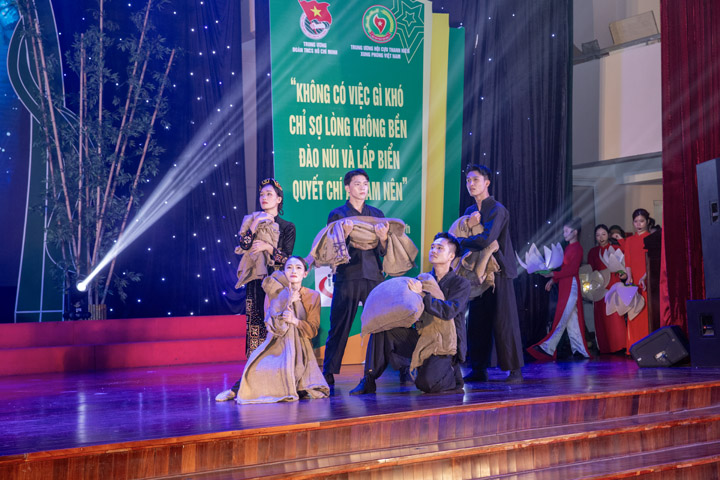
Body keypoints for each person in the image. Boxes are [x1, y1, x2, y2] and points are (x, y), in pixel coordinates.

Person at [350, 232, 471, 395]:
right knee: (383, 330)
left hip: (446, 344)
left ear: (451, 256)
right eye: (432, 247)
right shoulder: (423, 280)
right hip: (422, 337)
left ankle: (453, 375)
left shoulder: (461, 283)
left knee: (425, 385)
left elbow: (449, 311)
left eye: (439, 248)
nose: (433, 250)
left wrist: (423, 295)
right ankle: (369, 379)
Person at [217, 256, 329, 403]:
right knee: (259, 366)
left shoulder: (312, 296)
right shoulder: (273, 293)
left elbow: (312, 331)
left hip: (301, 349)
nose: (293, 271)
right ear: (284, 271)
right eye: (289, 267)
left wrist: (295, 321)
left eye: (298, 268)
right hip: (277, 344)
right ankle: (235, 390)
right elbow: (269, 325)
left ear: (305, 273)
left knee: (298, 383)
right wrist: (287, 302)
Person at [322, 169, 389, 385]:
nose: (362, 187)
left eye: (365, 184)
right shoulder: (338, 214)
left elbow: (384, 250)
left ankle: (399, 367)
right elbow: (331, 247)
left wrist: (383, 238)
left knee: (384, 322)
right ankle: (329, 371)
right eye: (357, 183)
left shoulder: (376, 214)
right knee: (340, 325)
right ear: (347, 188)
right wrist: (344, 235)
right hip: (348, 275)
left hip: (373, 275)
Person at [461, 165, 524, 383]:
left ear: (487, 183)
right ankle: (479, 368)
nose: (470, 184)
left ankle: (515, 370)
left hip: (499, 270)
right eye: (468, 180)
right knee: (477, 321)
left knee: (504, 321)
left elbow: (487, 239)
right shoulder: (470, 211)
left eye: (475, 180)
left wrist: (460, 241)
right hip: (477, 273)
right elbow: (466, 236)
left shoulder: (497, 209)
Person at [238, 178, 296, 356]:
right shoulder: (252, 220)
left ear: (279, 199)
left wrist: (268, 248)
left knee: (276, 320)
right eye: (262, 195)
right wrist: (255, 224)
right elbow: (244, 244)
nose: (264, 198)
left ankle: (277, 364)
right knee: (255, 322)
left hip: (276, 281)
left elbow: (286, 259)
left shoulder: (287, 227)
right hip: (255, 279)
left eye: (269, 194)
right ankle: (254, 365)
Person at [527, 218, 591, 361]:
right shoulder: (569, 248)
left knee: (562, 317)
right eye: (564, 231)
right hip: (565, 284)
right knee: (572, 319)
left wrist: (553, 275)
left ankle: (547, 347)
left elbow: (572, 270)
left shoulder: (577, 248)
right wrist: (553, 279)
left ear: (575, 232)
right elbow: (565, 269)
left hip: (570, 286)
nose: (564, 234)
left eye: (567, 231)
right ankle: (580, 350)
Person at [587, 224, 626, 354]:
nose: (601, 237)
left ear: (608, 235)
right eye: (598, 235)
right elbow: (591, 271)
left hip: (614, 285)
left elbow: (625, 262)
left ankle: (620, 345)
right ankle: (605, 347)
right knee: (601, 317)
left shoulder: (615, 248)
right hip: (600, 287)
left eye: (603, 234)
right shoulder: (593, 252)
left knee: (615, 316)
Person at [618, 208, 652, 350]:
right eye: (636, 221)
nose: (638, 224)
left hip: (647, 279)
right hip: (634, 280)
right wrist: (629, 277)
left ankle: (647, 346)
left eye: (641, 221)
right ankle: (634, 346)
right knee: (633, 312)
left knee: (645, 312)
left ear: (647, 221)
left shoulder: (651, 238)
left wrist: (645, 277)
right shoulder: (630, 240)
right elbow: (628, 261)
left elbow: (651, 261)